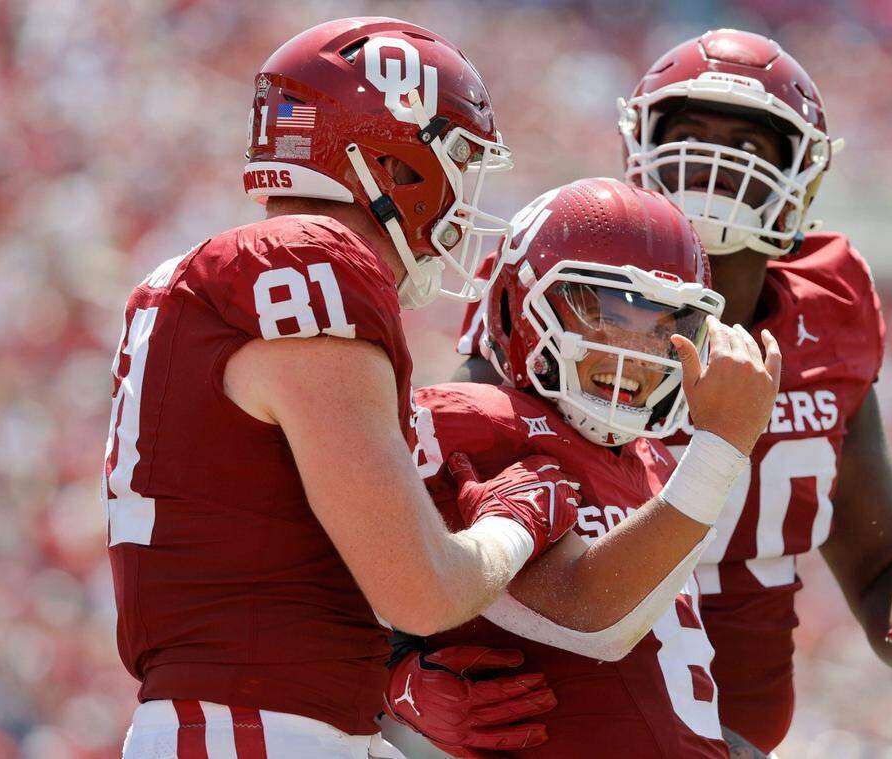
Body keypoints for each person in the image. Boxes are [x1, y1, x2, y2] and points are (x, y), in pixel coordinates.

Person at [456, 29, 892, 755]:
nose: (713, 161)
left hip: (731, 734)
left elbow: (881, 550)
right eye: (692, 133)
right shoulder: (561, 274)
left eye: (745, 143)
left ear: (798, 176)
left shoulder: (829, 303)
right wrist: (405, 662)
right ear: (641, 144)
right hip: (570, 720)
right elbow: (446, 503)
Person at [103, 18, 579, 758]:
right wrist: (518, 518)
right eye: (453, 156)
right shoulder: (311, 259)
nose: (464, 191)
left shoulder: (200, 278)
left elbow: (274, 556)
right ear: (390, 160)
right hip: (256, 729)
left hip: (248, 721)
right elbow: (419, 588)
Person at [381, 178, 781, 757]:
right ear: (520, 300)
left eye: (665, 326)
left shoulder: (657, 465)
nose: (636, 350)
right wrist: (393, 679)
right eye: (604, 309)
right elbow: (592, 617)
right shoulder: (473, 420)